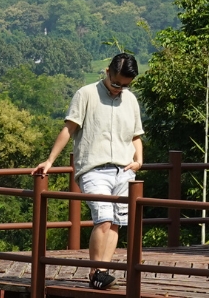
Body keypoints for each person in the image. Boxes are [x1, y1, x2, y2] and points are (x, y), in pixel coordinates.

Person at [33, 53, 144, 290]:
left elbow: (136, 135)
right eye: (116, 83)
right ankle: (96, 270)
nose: (118, 89)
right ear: (107, 71)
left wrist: (139, 160)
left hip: (124, 169)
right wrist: (50, 160)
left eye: (125, 86)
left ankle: (102, 272)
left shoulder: (130, 100)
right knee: (103, 219)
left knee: (116, 222)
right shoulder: (86, 94)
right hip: (94, 168)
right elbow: (69, 128)